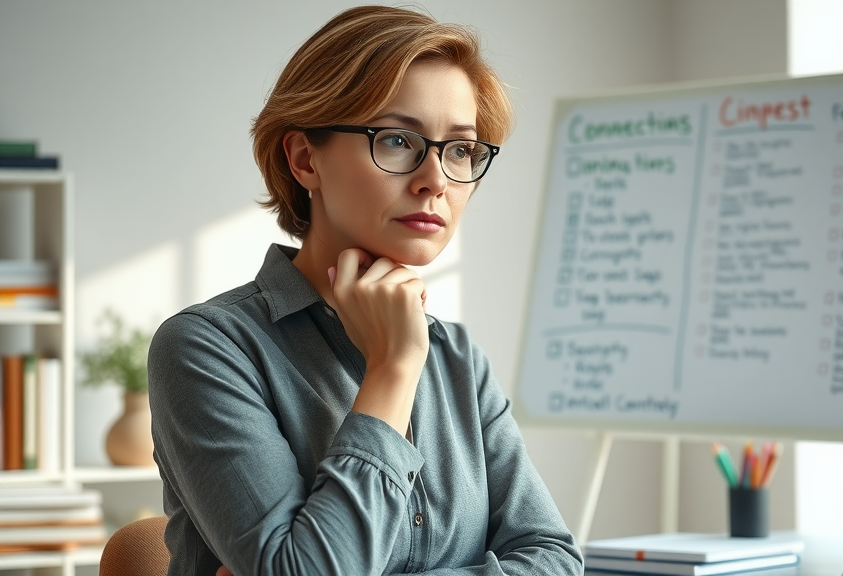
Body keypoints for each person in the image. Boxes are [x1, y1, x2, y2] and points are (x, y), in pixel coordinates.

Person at [147, 5, 583, 576]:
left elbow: (556, 559)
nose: (436, 180)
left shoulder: (458, 359)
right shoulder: (206, 349)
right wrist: (394, 368)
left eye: (460, 150)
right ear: (305, 159)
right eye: (397, 140)